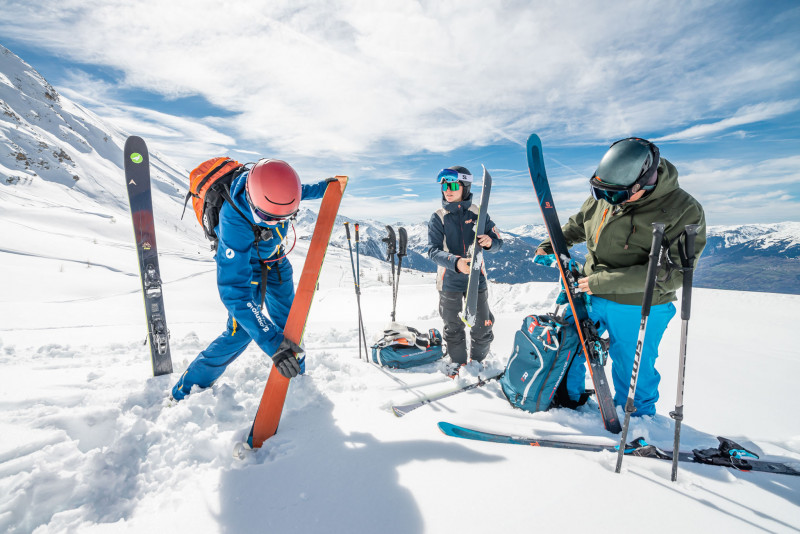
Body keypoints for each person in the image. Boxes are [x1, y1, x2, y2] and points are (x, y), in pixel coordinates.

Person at [535, 137, 706, 416]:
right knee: (568, 346)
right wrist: (550, 245)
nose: (607, 200)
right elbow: (578, 225)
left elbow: (673, 274)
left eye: (615, 195)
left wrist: (602, 282)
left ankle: (635, 419)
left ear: (644, 183)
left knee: (631, 365)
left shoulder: (684, 209)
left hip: (638, 303)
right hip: (588, 292)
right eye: (599, 191)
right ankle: (566, 402)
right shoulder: (607, 193)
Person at [172, 159, 337, 401]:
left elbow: (297, 191)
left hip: (275, 260)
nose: (273, 222)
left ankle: (297, 382)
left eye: (283, 217)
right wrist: (274, 346)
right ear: (250, 198)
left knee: (292, 326)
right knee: (240, 333)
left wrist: (325, 188)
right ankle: (185, 390)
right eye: (264, 216)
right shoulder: (233, 221)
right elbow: (235, 293)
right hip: (245, 268)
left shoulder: (276, 189)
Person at [427, 166, 503, 376]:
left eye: (452, 186)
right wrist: (456, 262)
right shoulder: (438, 217)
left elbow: (498, 242)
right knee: (453, 327)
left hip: (476, 278)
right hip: (449, 279)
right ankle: (458, 364)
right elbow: (433, 251)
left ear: (465, 187)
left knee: (483, 326)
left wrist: (490, 243)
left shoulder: (478, 213)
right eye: (444, 186)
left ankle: (477, 363)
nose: (447, 190)